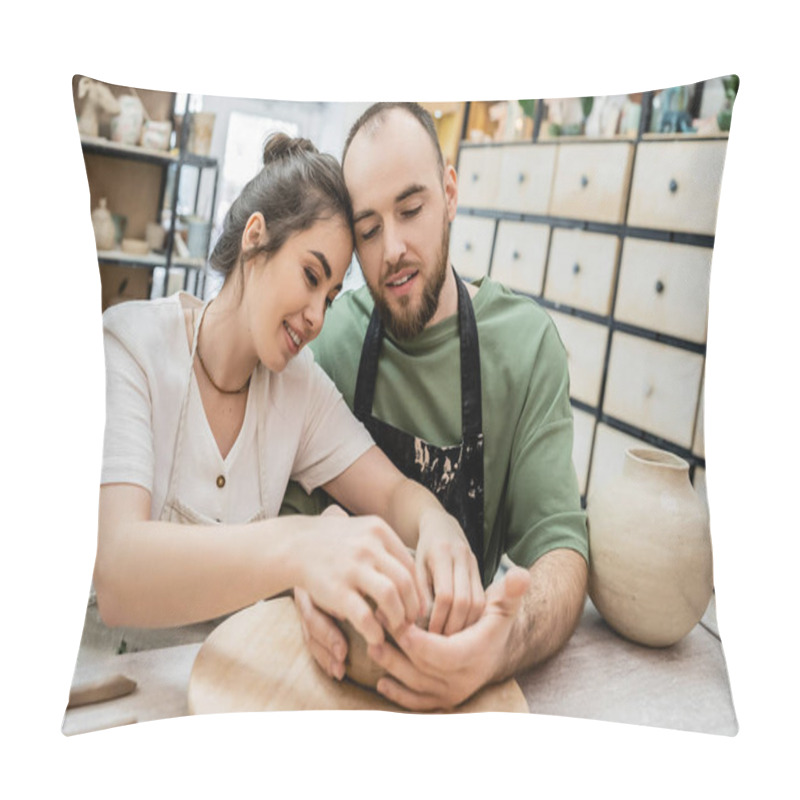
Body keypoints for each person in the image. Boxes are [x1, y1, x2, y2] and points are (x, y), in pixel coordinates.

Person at [93, 133, 486, 654]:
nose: (318, 317)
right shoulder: (129, 346)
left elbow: (391, 495)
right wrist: (303, 546)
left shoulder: (297, 387)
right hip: (106, 690)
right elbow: (118, 575)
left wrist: (438, 524)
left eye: (330, 295)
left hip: (228, 684)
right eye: (310, 275)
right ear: (255, 237)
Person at [282, 103, 589, 710]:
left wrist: (501, 648)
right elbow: (286, 516)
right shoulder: (331, 338)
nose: (392, 249)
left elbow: (561, 548)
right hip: (339, 678)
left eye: (412, 209)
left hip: (462, 688)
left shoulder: (524, 349)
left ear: (450, 192)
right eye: (367, 230)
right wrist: (307, 562)